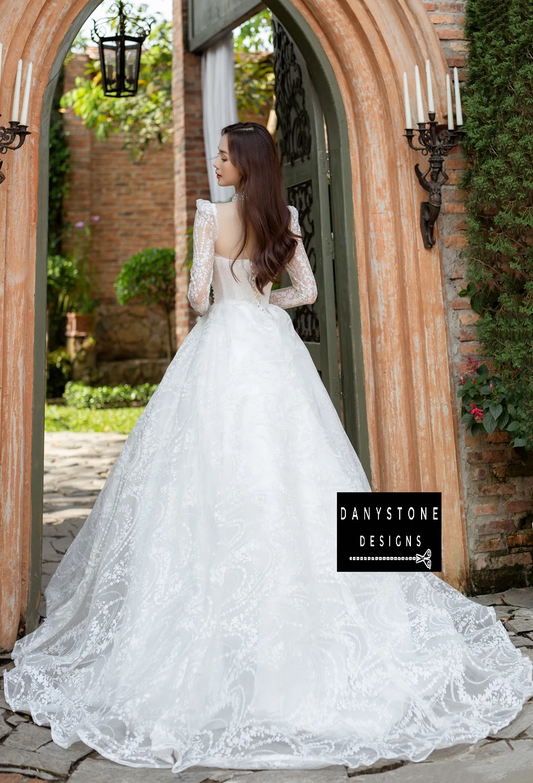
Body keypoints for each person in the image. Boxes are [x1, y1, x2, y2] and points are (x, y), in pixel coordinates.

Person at [3, 122, 533, 775]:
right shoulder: (283, 215)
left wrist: (226, 302)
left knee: (206, 481)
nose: (216, 164)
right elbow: (306, 292)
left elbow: (197, 298)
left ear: (246, 163)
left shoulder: (209, 216)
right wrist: (265, 304)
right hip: (269, 350)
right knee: (303, 477)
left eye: (224, 156)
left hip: (221, 350)